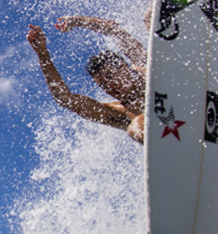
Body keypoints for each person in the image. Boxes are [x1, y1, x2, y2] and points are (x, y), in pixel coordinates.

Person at [26, 15, 147, 143]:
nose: (110, 87)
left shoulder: (146, 67)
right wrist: (43, 54)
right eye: (103, 85)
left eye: (110, 77)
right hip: (160, 133)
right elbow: (65, 99)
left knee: (149, 16)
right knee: (136, 126)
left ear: (124, 67)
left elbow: (113, 29)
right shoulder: (121, 113)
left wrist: (77, 21)